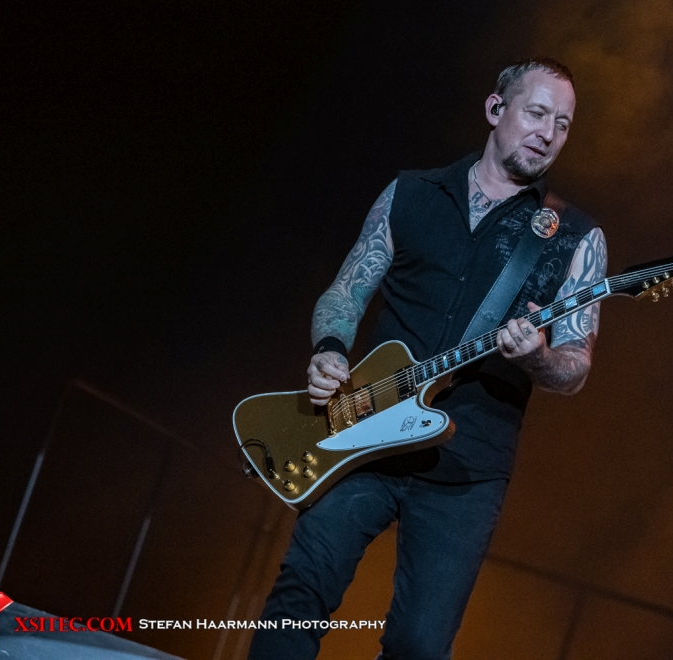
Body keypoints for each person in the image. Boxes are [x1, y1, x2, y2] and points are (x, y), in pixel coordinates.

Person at [248, 57, 607, 660]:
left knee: (419, 645)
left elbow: (575, 366)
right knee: (301, 591)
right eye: (537, 113)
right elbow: (345, 293)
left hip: (468, 467)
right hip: (364, 434)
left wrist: (539, 357)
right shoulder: (411, 193)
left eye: (563, 124)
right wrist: (330, 350)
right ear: (496, 109)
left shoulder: (575, 237)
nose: (548, 133)